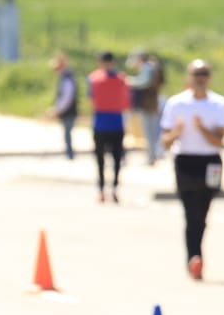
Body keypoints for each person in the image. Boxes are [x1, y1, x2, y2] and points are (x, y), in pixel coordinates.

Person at [159, 59, 224, 280]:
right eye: (196, 74)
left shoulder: (218, 104)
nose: (200, 78)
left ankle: (196, 254)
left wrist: (201, 129)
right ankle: (194, 258)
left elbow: (219, 141)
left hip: (210, 162)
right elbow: (165, 142)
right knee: (191, 213)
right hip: (185, 160)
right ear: (188, 77)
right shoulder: (176, 104)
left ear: (209, 77)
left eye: (204, 73)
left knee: (204, 212)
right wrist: (177, 132)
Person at [87, 51, 129, 203]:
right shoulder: (119, 79)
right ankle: (102, 189)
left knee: (115, 159)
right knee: (102, 159)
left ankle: (113, 188)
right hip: (105, 123)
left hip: (111, 123)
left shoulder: (97, 78)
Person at [127, 49, 166, 163]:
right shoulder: (153, 67)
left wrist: (129, 81)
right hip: (152, 102)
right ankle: (153, 155)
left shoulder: (147, 68)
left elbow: (142, 83)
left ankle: (151, 156)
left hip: (147, 103)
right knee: (153, 130)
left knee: (150, 131)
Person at [47, 52, 79, 160]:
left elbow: (67, 97)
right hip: (67, 110)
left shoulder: (67, 79)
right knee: (66, 133)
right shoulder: (65, 78)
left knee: (67, 133)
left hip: (68, 111)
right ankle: (69, 153)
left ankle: (70, 154)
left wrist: (58, 109)